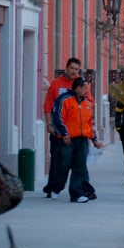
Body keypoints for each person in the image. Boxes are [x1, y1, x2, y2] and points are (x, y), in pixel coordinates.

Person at [51, 78, 103, 202]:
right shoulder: (64, 100)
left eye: (87, 88)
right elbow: (57, 118)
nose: (86, 90)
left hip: (82, 139)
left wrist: (94, 139)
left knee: (80, 167)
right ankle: (56, 187)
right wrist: (64, 134)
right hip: (67, 140)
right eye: (84, 87)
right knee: (64, 165)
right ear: (77, 88)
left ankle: (76, 193)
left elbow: (90, 123)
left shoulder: (87, 104)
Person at [42, 57, 82, 197]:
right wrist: (48, 124)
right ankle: (51, 187)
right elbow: (48, 105)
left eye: (76, 69)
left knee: (73, 162)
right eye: (72, 68)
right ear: (66, 68)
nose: (74, 72)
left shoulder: (80, 85)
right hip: (57, 129)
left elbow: (87, 104)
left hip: (74, 132)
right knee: (56, 160)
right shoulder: (56, 84)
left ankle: (78, 188)